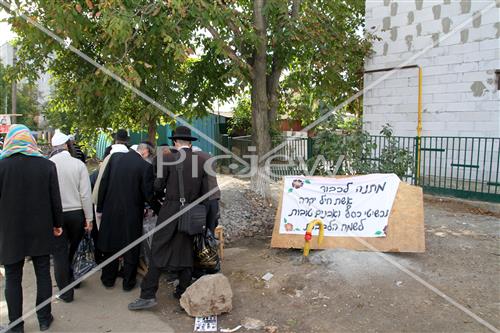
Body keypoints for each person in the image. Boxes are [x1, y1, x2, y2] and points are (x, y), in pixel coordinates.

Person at [128, 126, 209, 311]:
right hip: (192, 209)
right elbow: (205, 191)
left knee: (158, 248)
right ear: (189, 142)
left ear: (175, 142)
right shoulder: (201, 160)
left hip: (171, 208)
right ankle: (183, 291)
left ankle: (148, 294)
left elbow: (158, 186)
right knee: (185, 249)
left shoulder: (168, 158)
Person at [0, 125, 64, 332]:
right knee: (43, 274)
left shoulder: (2, 165)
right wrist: (57, 225)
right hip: (41, 229)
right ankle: (44, 319)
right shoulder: (46, 166)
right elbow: (56, 200)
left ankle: (16, 325)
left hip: (10, 231)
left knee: (12, 277)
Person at [96, 144, 155, 291]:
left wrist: (100, 208)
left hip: (111, 210)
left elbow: (103, 183)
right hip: (132, 212)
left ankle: (108, 279)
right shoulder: (144, 166)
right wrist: (159, 208)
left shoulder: (114, 158)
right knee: (131, 247)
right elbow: (148, 194)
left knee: (110, 245)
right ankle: (128, 283)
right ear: (145, 151)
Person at [49, 130, 93, 302]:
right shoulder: (78, 165)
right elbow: (85, 194)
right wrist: (89, 218)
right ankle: (74, 278)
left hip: (56, 215)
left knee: (59, 253)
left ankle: (66, 293)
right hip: (76, 214)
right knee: (74, 249)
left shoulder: (48, 164)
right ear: (68, 145)